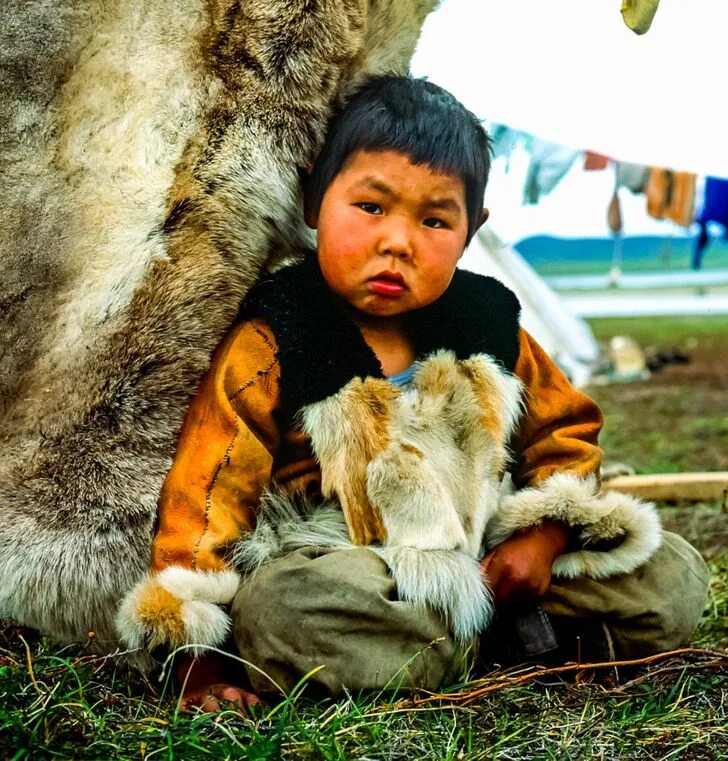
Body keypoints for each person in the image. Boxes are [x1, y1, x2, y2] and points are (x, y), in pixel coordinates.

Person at [116, 76, 709, 712]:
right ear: (313, 199)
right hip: (364, 571)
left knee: (672, 578)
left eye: (434, 219)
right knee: (285, 608)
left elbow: (564, 436)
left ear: (472, 228)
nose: (398, 242)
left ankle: (464, 637)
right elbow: (210, 494)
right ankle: (489, 644)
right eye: (371, 208)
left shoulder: (490, 324)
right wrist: (196, 653)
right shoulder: (274, 339)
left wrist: (542, 540)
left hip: (490, 559)